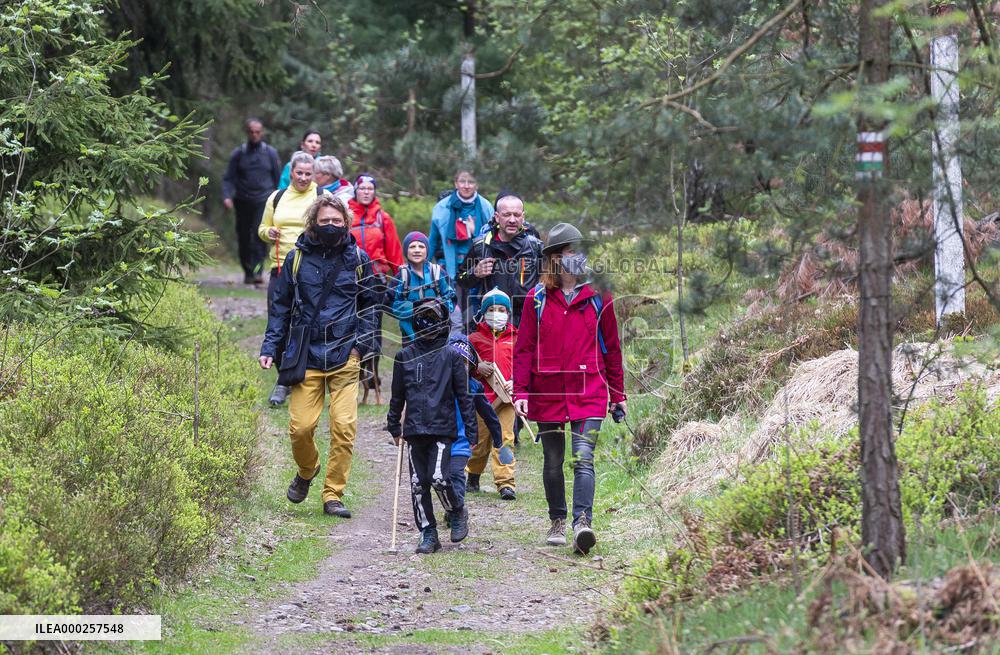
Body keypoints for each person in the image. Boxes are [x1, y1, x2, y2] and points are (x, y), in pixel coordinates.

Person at [259, 195, 379, 519]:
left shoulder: (359, 259)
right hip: (307, 356)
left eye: (336, 221)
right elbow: (280, 307)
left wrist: (360, 347)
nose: (330, 226)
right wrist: (270, 348)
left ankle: (333, 494)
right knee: (300, 428)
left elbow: (371, 306)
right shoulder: (296, 258)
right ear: (313, 221)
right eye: (324, 221)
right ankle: (308, 469)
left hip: (345, 354)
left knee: (344, 427)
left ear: (345, 223)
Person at [512, 222, 627, 555]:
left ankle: (582, 523)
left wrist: (618, 395)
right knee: (552, 460)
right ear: (555, 259)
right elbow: (523, 349)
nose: (577, 257)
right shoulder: (536, 298)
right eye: (569, 252)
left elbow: (613, 347)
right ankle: (557, 520)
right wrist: (520, 392)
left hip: (588, 387)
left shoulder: (599, 296)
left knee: (583, 457)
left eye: (580, 250)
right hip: (546, 389)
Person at [386, 298, 478, 553]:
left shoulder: (451, 356)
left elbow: (464, 396)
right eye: (423, 318)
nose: (428, 323)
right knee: (418, 483)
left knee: (438, 478)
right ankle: (428, 532)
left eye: (433, 318)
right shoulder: (404, 356)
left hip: (441, 429)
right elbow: (397, 395)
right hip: (414, 430)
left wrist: (471, 430)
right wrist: (394, 425)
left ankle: (456, 510)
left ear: (442, 322)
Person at [257, 151, 323, 406]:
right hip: (280, 267)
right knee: (278, 321)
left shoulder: (321, 197)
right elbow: (262, 228)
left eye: (308, 173)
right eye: (299, 173)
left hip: (311, 269)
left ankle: (299, 378)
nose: (304, 178)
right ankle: (284, 377)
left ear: (314, 174)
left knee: (306, 323)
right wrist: (268, 232)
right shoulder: (277, 197)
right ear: (291, 172)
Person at [349, 173, 404, 403]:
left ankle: (373, 376)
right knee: (348, 328)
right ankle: (350, 377)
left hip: (376, 281)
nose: (366, 192)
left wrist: (401, 278)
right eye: (362, 188)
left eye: (370, 189)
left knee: (373, 331)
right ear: (355, 190)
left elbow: (395, 252)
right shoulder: (346, 215)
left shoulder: (383, 218)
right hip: (349, 280)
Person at [457, 193, 543, 329]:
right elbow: (460, 279)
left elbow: (550, 281)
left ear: (523, 217)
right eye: (506, 215)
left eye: (516, 215)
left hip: (527, 321)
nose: (512, 220)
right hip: (492, 321)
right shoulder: (481, 246)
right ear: (497, 217)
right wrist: (475, 273)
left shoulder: (535, 247)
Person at [446, 334, 506, 528]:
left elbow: (489, 415)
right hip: (438, 439)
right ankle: (451, 508)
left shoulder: (474, 386)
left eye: (464, 362)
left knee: (455, 475)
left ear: (471, 365)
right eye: (455, 361)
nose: (459, 366)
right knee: (439, 479)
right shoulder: (437, 385)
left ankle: (457, 511)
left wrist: (498, 438)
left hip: (461, 441)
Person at [466, 288, 518, 500]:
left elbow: (523, 365)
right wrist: (477, 369)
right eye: (492, 310)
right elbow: (461, 368)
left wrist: (516, 382)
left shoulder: (516, 338)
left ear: (508, 312)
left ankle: (506, 483)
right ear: (483, 312)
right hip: (480, 401)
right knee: (479, 441)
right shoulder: (473, 339)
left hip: (506, 401)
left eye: (502, 309)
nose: (497, 314)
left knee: (505, 439)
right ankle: (473, 475)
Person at [428, 170, 494, 326]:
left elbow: (492, 240)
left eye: (470, 182)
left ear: (477, 184)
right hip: (449, 268)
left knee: (473, 312)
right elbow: (432, 240)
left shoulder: (485, 207)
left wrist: (474, 233)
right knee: (452, 312)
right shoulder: (441, 208)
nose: (466, 186)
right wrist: (422, 266)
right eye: (462, 181)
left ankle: (471, 342)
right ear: (455, 183)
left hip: (476, 269)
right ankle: (452, 345)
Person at [222, 118, 282, 284]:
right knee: (243, 236)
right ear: (247, 133)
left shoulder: (270, 153)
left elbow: (278, 178)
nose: (255, 135)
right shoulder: (238, 153)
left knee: (258, 235)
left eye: (258, 132)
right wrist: (227, 196)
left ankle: (257, 271)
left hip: (264, 200)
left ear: (262, 133)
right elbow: (228, 178)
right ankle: (248, 271)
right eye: (251, 132)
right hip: (242, 200)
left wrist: (279, 200)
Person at [389, 232, 456, 344]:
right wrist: (416, 309)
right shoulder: (402, 276)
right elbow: (390, 303)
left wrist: (436, 308)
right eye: (412, 247)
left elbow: (451, 297)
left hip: (439, 335)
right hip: (410, 337)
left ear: (427, 251)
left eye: (421, 246)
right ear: (406, 251)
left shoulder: (438, 273)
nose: (417, 250)